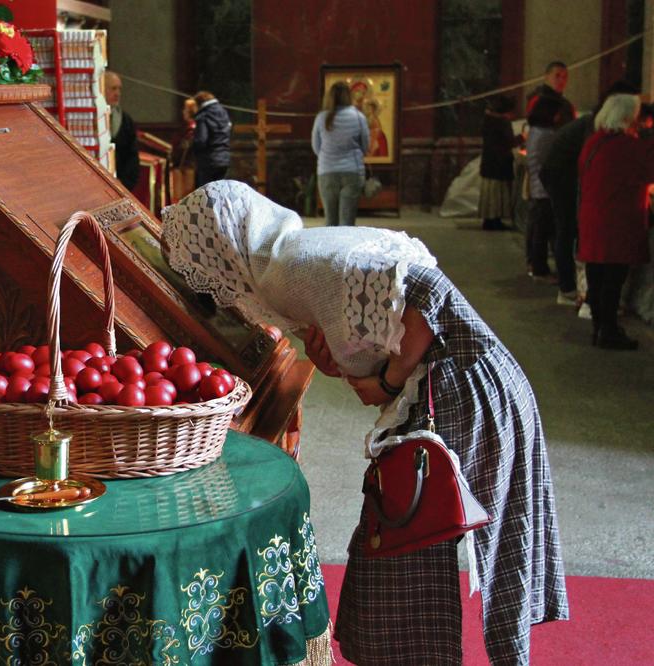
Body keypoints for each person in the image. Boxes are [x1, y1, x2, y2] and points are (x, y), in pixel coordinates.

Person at [161, 180, 568, 666]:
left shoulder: (288, 269)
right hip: (476, 382)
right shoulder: (289, 251)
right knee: (416, 554)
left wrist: (391, 383)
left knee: (403, 548)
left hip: (462, 387)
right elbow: (374, 320)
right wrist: (349, 363)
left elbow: (426, 295)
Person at [541, 81, 641, 305]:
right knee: (567, 230)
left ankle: (576, 291)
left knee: (569, 231)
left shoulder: (599, 122)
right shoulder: (599, 129)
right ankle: (568, 289)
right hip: (561, 175)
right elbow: (598, 165)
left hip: (562, 173)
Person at [577, 94, 654, 350]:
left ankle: (600, 327)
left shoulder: (595, 141)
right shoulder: (626, 146)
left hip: (594, 219)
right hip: (615, 223)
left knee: (597, 277)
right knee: (612, 279)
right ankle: (609, 331)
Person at [311, 81, 369, 226]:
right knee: (347, 222)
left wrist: (328, 157)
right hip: (352, 172)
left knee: (330, 221)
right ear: (348, 96)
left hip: (327, 172)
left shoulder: (321, 118)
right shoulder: (358, 116)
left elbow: (316, 146)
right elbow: (365, 145)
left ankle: (331, 248)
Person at [524, 96, 565, 279]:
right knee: (544, 231)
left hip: (536, 186)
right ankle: (539, 266)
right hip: (545, 190)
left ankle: (535, 264)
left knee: (537, 229)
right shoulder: (547, 135)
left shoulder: (534, 131)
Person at [478, 96, 520, 231]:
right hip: (500, 164)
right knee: (497, 194)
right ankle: (495, 220)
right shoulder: (502, 122)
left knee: (490, 194)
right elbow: (510, 141)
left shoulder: (487, 120)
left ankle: (489, 220)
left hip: (489, 163)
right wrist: (522, 138)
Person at [104, 71, 139, 191]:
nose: (117, 93)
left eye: (119, 89)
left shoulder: (126, 120)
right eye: (113, 89)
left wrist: (123, 182)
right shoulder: (91, 118)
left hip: (121, 183)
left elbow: (132, 155)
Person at [191, 90, 232, 187]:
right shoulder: (224, 113)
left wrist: (192, 147)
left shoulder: (203, 116)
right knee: (220, 190)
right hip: (224, 159)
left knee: (206, 191)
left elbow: (201, 140)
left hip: (208, 160)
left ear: (199, 104)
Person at [526, 61, 575, 126]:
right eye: (557, 75)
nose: (561, 80)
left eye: (565, 77)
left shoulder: (568, 106)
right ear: (546, 77)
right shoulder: (536, 100)